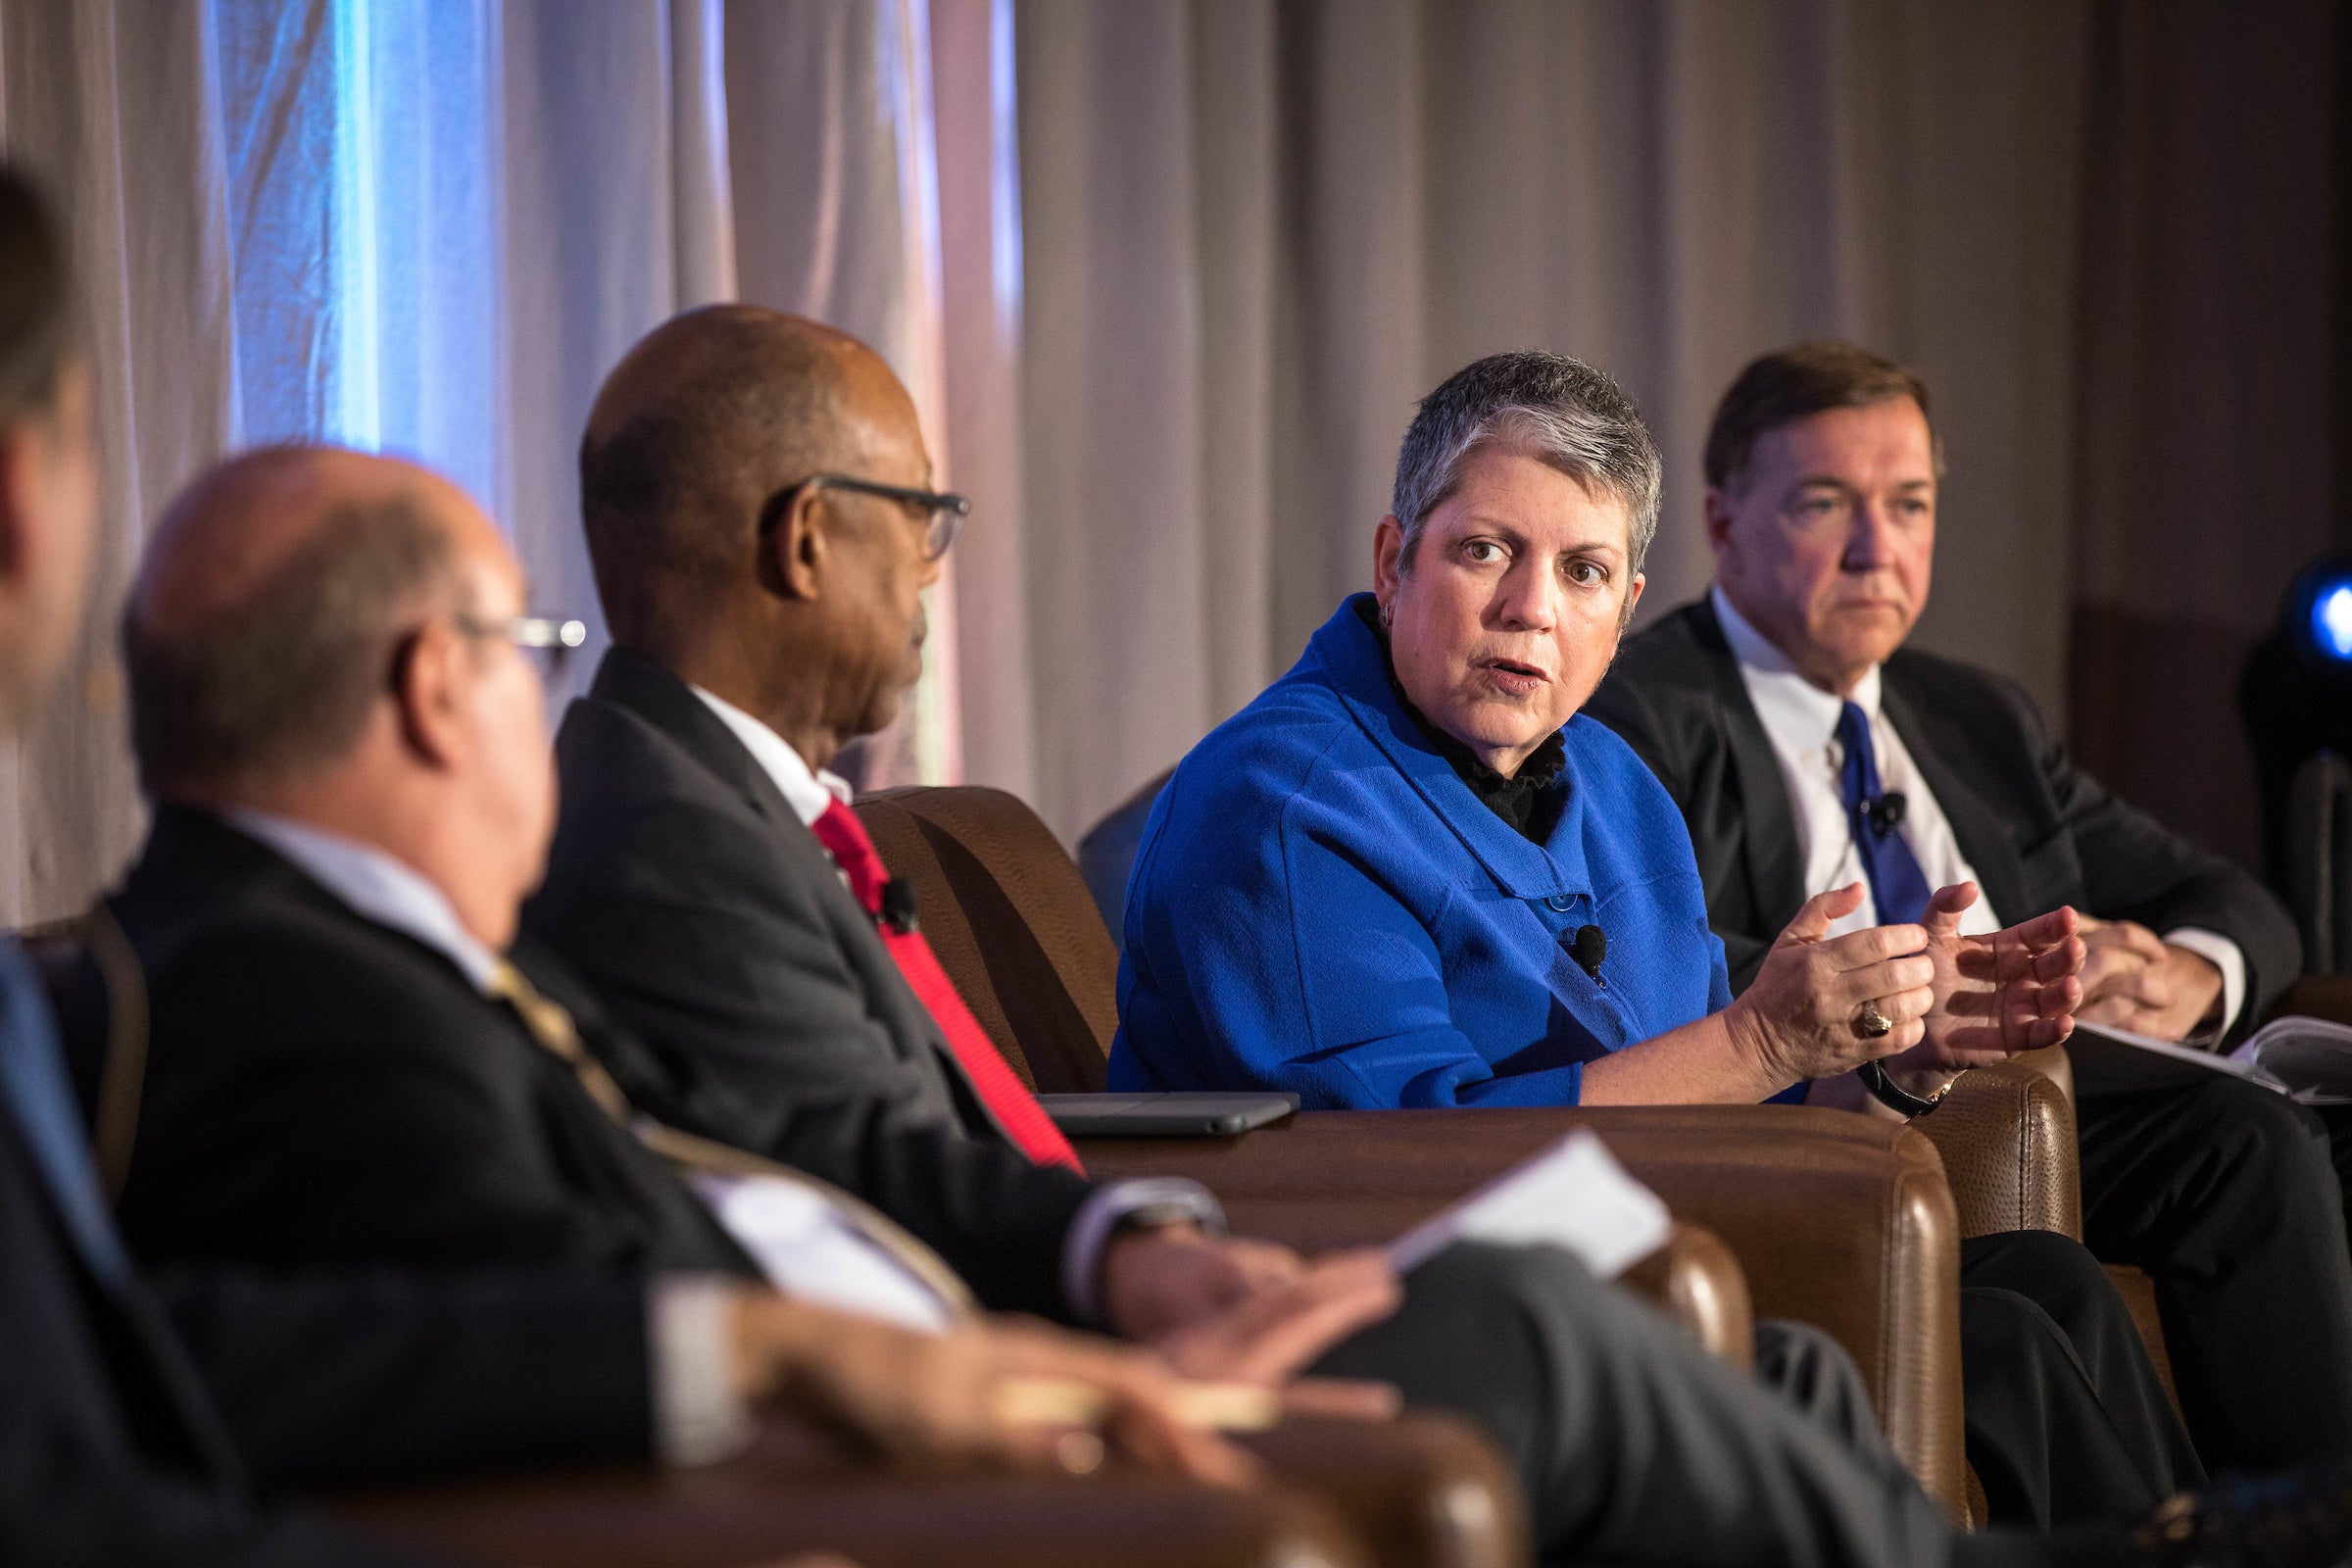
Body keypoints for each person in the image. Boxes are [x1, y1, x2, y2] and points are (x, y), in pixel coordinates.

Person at [90, 427, 2277, 1568]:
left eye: (1586, 572)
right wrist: (866, 1352)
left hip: (1038, 1310)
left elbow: (828, 1147)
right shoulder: (407, 927)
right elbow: (422, 1338)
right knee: (1563, 1328)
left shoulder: (554, 859)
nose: (1528, 610)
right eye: (509, 657)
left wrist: (1123, 1257)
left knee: (1851, 1351)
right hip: (918, 1406)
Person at [0, 168, 1221, 1568]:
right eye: (531, 649)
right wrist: (767, 1359)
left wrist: (1116, 1248)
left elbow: (788, 1150)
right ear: (430, 689)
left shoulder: (427, 960)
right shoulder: (285, 992)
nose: (563, 714)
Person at [1107, 348, 2216, 1529]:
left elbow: (1727, 1122)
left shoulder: (1619, 784)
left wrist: (1887, 1060)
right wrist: (1762, 1038)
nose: (1531, 607)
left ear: (1626, 609)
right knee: (1967, 1347)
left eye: (1583, 571)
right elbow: (1404, 1168)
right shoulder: (1287, 804)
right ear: (1395, 561)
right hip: (1435, 1308)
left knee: (2038, 1286)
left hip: (1655, 1249)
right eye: (1487, 551)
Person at [1583, 340, 2352, 1477]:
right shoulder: (1637, 711)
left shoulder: (1976, 715)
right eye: (1825, 503)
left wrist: (2198, 968)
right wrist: (1926, 988)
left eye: (1909, 505)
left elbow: (2231, 892)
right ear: (1723, 521)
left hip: (2076, 1084)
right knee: (2246, 1143)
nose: (1875, 548)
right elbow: (1653, 957)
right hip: (1870, 1091)